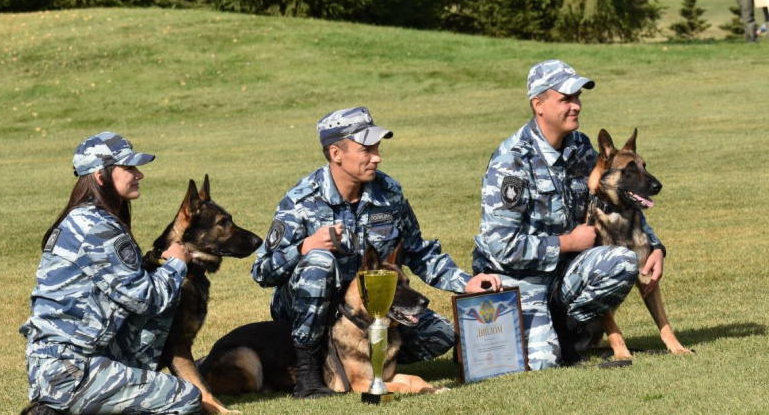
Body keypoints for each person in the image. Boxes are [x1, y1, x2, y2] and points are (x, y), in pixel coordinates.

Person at [251, 107, 502, 398]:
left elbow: (418, 250)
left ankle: (370, 365)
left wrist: (465, 282)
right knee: (318, 262)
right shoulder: (302, 200)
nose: (377, 157)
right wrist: (304, 247)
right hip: (311, 311)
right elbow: (262, 271)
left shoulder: (388, 192)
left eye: (377, 148)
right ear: (336, 153)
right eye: (366, 149)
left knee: (441, 334)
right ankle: (308, 372)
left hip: (372, 312)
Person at [471, 60, 666, 370]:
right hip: (519, 279)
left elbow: (616, 199)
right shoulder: (512, 162)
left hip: (565, 273)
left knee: (623, 262)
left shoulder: (580, 146)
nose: (576, 105)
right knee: (543, 363)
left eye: (577, 97)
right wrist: (567, 242)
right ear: (539, 105)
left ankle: (567, 328)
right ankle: (524, 334)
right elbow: (501, 247)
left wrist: (654, 246)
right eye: (566, 98)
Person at [19, 132, 206, 414]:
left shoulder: (87, 218)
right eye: (128, 168)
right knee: (186, 398)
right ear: (99, 176)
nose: (139, 174)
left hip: (66, 363)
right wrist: (177, 264)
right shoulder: (98, 228)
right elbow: (147, 299)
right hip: (71, 371)